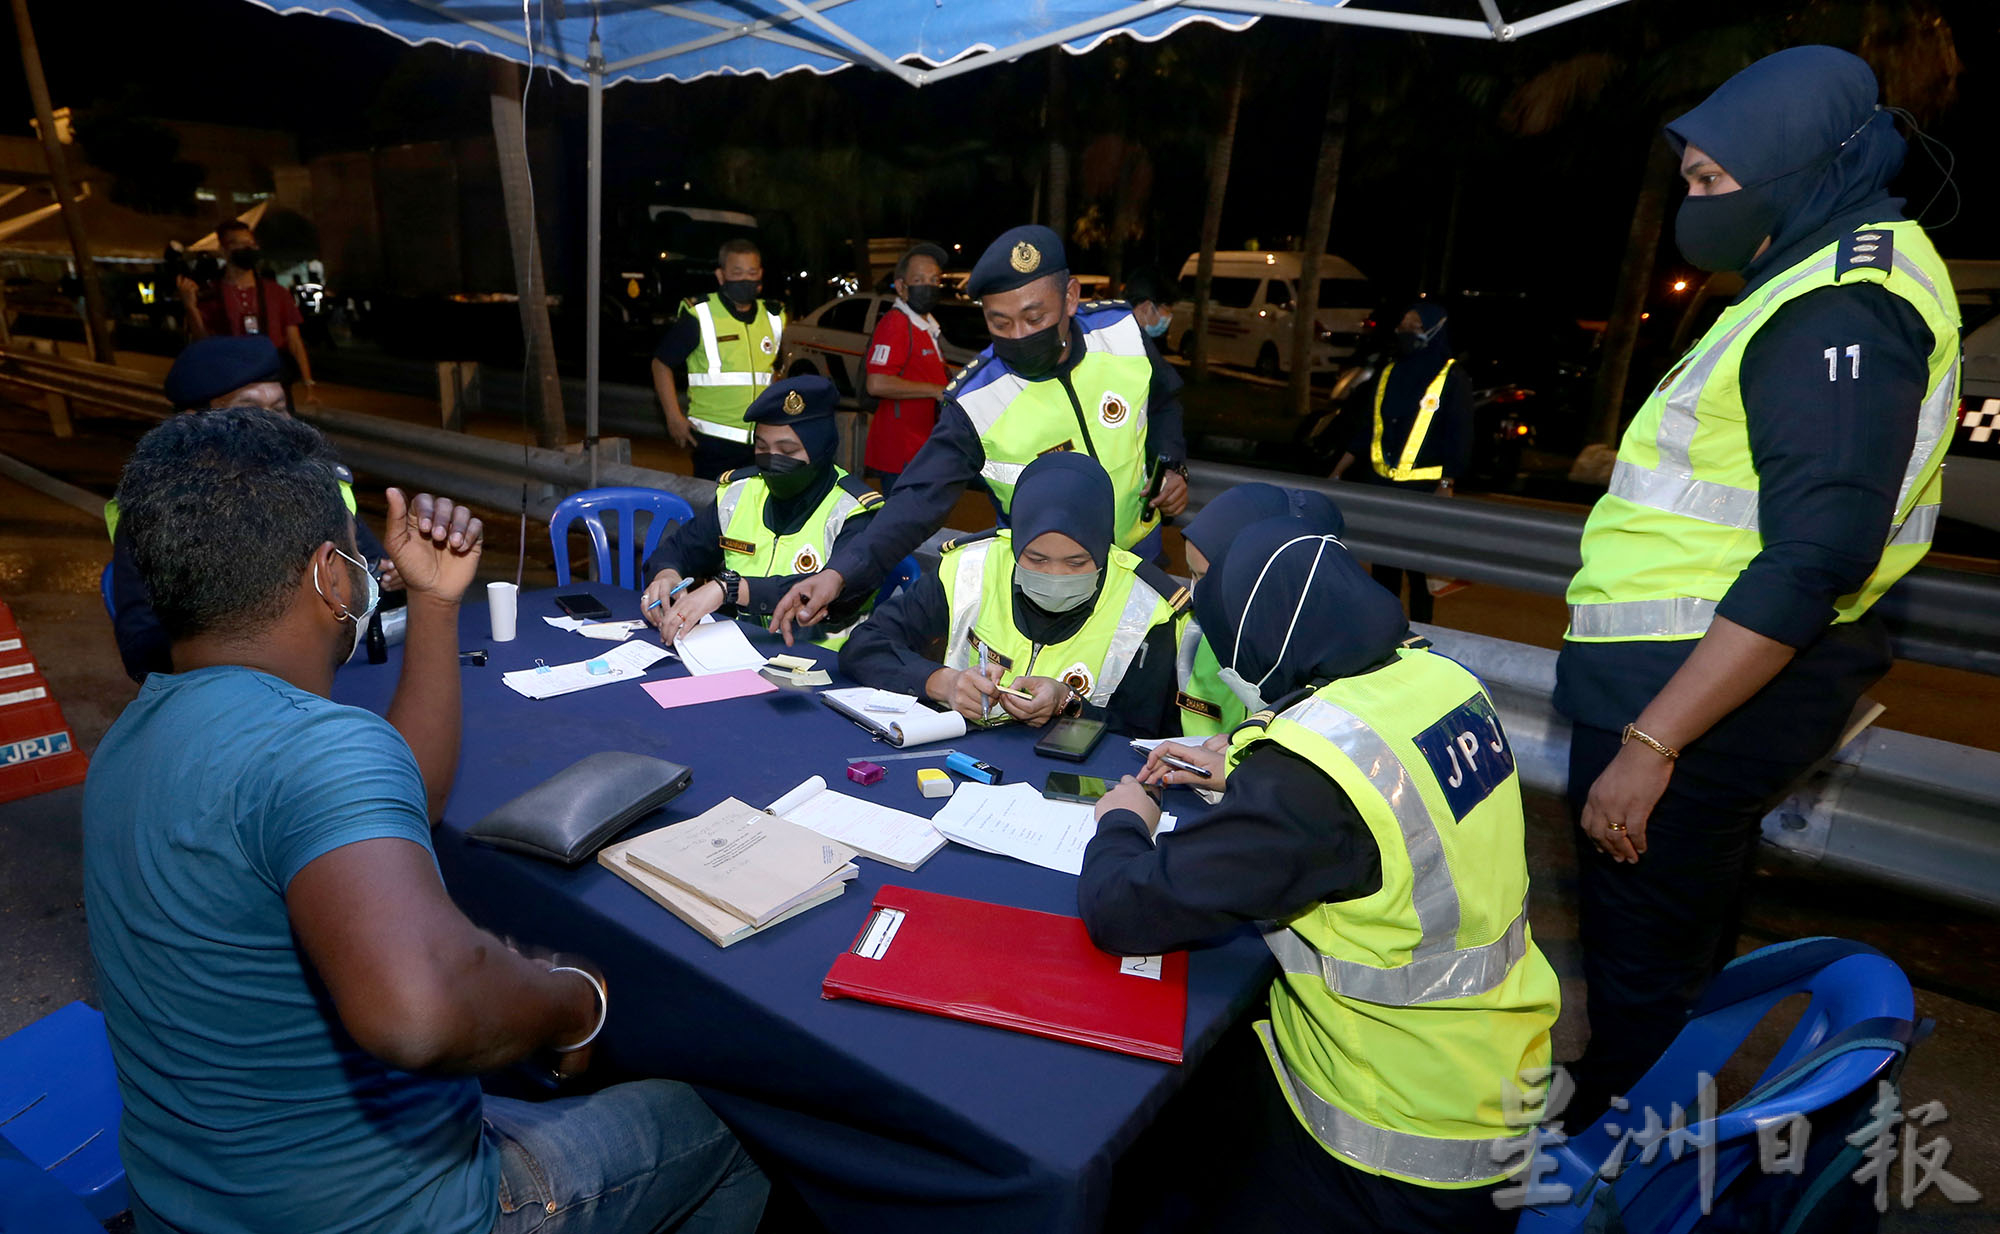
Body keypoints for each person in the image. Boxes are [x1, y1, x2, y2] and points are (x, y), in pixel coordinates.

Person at [85, 408, 768, 1234]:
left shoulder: (133, 736)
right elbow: (420, 1012)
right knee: (724, 1128)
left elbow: (403, 797)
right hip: (395, 1215)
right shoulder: (315, 747)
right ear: (331, 578)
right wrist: (571, 1003)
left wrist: (437, 604)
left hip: (196, 1206)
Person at [1555, 47, 1959, 1125]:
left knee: (1642, 980)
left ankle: (1619, 1163)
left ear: (1797, 165)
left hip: (1695, 692)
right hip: (1699, 679)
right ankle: (1644, 1130)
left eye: (1709, 180)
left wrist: (1652, 743)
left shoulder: (1841, 305)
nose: (1694, 203)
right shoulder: (1820, 265)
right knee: (1668, 964)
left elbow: (1816, 551)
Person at [1079, 518, 1560, 1233]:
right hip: (1495, 1064)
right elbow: (1380, 789)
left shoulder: (1306, 786)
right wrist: (1244, 762)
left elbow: (1127, 910)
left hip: (1391, 1139)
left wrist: (1123, 822)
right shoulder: (1443, 680)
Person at [772, 224, 1190, 640]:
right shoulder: (977, 401)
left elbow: (1163, 400)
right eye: (1000, 323)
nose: (1020, 336)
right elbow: (916, 502)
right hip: (1044, 589)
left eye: (1034, 317)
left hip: (1140, 563)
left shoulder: (1120, 332)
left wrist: (1171, 465)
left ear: (1070, 297)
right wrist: (840, 574)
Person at [840, 451, 1187, 738]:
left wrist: (1068, 704)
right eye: (1036, 559)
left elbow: (1146, 736)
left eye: (1077, 563)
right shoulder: (971, 567)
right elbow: (866, 645)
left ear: (1102, 549)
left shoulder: (1146, 608)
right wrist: (943, 683)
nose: (1055, 576)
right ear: (1016, 543)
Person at [107, 338, 395, 683]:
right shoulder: (158, 509)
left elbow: (375, 574)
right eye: (249, 409)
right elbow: (141, 649)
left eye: (279, 408)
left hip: (341, 672)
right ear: (196, 421)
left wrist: (394, 579)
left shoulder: (318, 483)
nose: (272, 424)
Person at [641, 376, 884, 649]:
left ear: (821, 449)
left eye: (788, 450)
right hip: (738, 651)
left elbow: (834, 589)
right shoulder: (740, 493)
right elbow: (678, 550)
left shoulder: (855, 511)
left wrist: (729, 589)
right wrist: (666, 576)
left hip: (824, 661)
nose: (772, 460)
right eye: (762, 448)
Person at [1333, 301, 1471, 623]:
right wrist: (1339, 470)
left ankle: (1422, 636)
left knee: (1420, 574)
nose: (1406, 331)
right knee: (1384, 572)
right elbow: (1369, 429)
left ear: (1435, 330)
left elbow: (1459, 434)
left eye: (1415, 326)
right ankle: (1386, 633)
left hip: (1423, 494)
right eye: (1404, 325)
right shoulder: (1389, 373)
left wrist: (1447, 483)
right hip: (1383, 491)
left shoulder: (1451, 377)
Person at [1172, 483, 1344, 737]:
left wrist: (1243, 757)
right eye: (1192, 575)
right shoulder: (1198, 637)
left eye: (1207, 578)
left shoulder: (1336, 665)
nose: (1197, 594)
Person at [651, 238, 786, 479]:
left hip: (763, 440)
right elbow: (661, 364)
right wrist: (673, 417)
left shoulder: (773, 316)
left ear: (760, 275)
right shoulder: (700, 314)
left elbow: (773, 371)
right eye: (737, 273)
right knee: (714, 502)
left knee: (755, 502)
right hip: (714, 442)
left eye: (751, 273)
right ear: (721, 276)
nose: (745, 279)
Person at [178, 219, 316, 407]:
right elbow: (204, 342)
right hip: (232, 386)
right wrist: (190, 307)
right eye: (239, 244)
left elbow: (294, 342)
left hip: (273, 382)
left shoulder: (277, 292)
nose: (248, 248)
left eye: (251, 243)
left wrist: (308, 385)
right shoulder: (211, 294)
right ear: (224, 250)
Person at [861, 242, 952, 491]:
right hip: (901, 452)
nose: (928, 286)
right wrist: (935, 390)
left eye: (934, 280)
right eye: (919, 280)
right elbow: (876, 383)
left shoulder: (925, 325)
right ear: (902, 287)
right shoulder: (896, 324)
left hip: (921, 450)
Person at [1119, 266, 1176, 342]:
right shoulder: (1130, 343)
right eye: (1167, 311)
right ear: (1146, 307)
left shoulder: (1115, 331)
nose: (1169, 317)